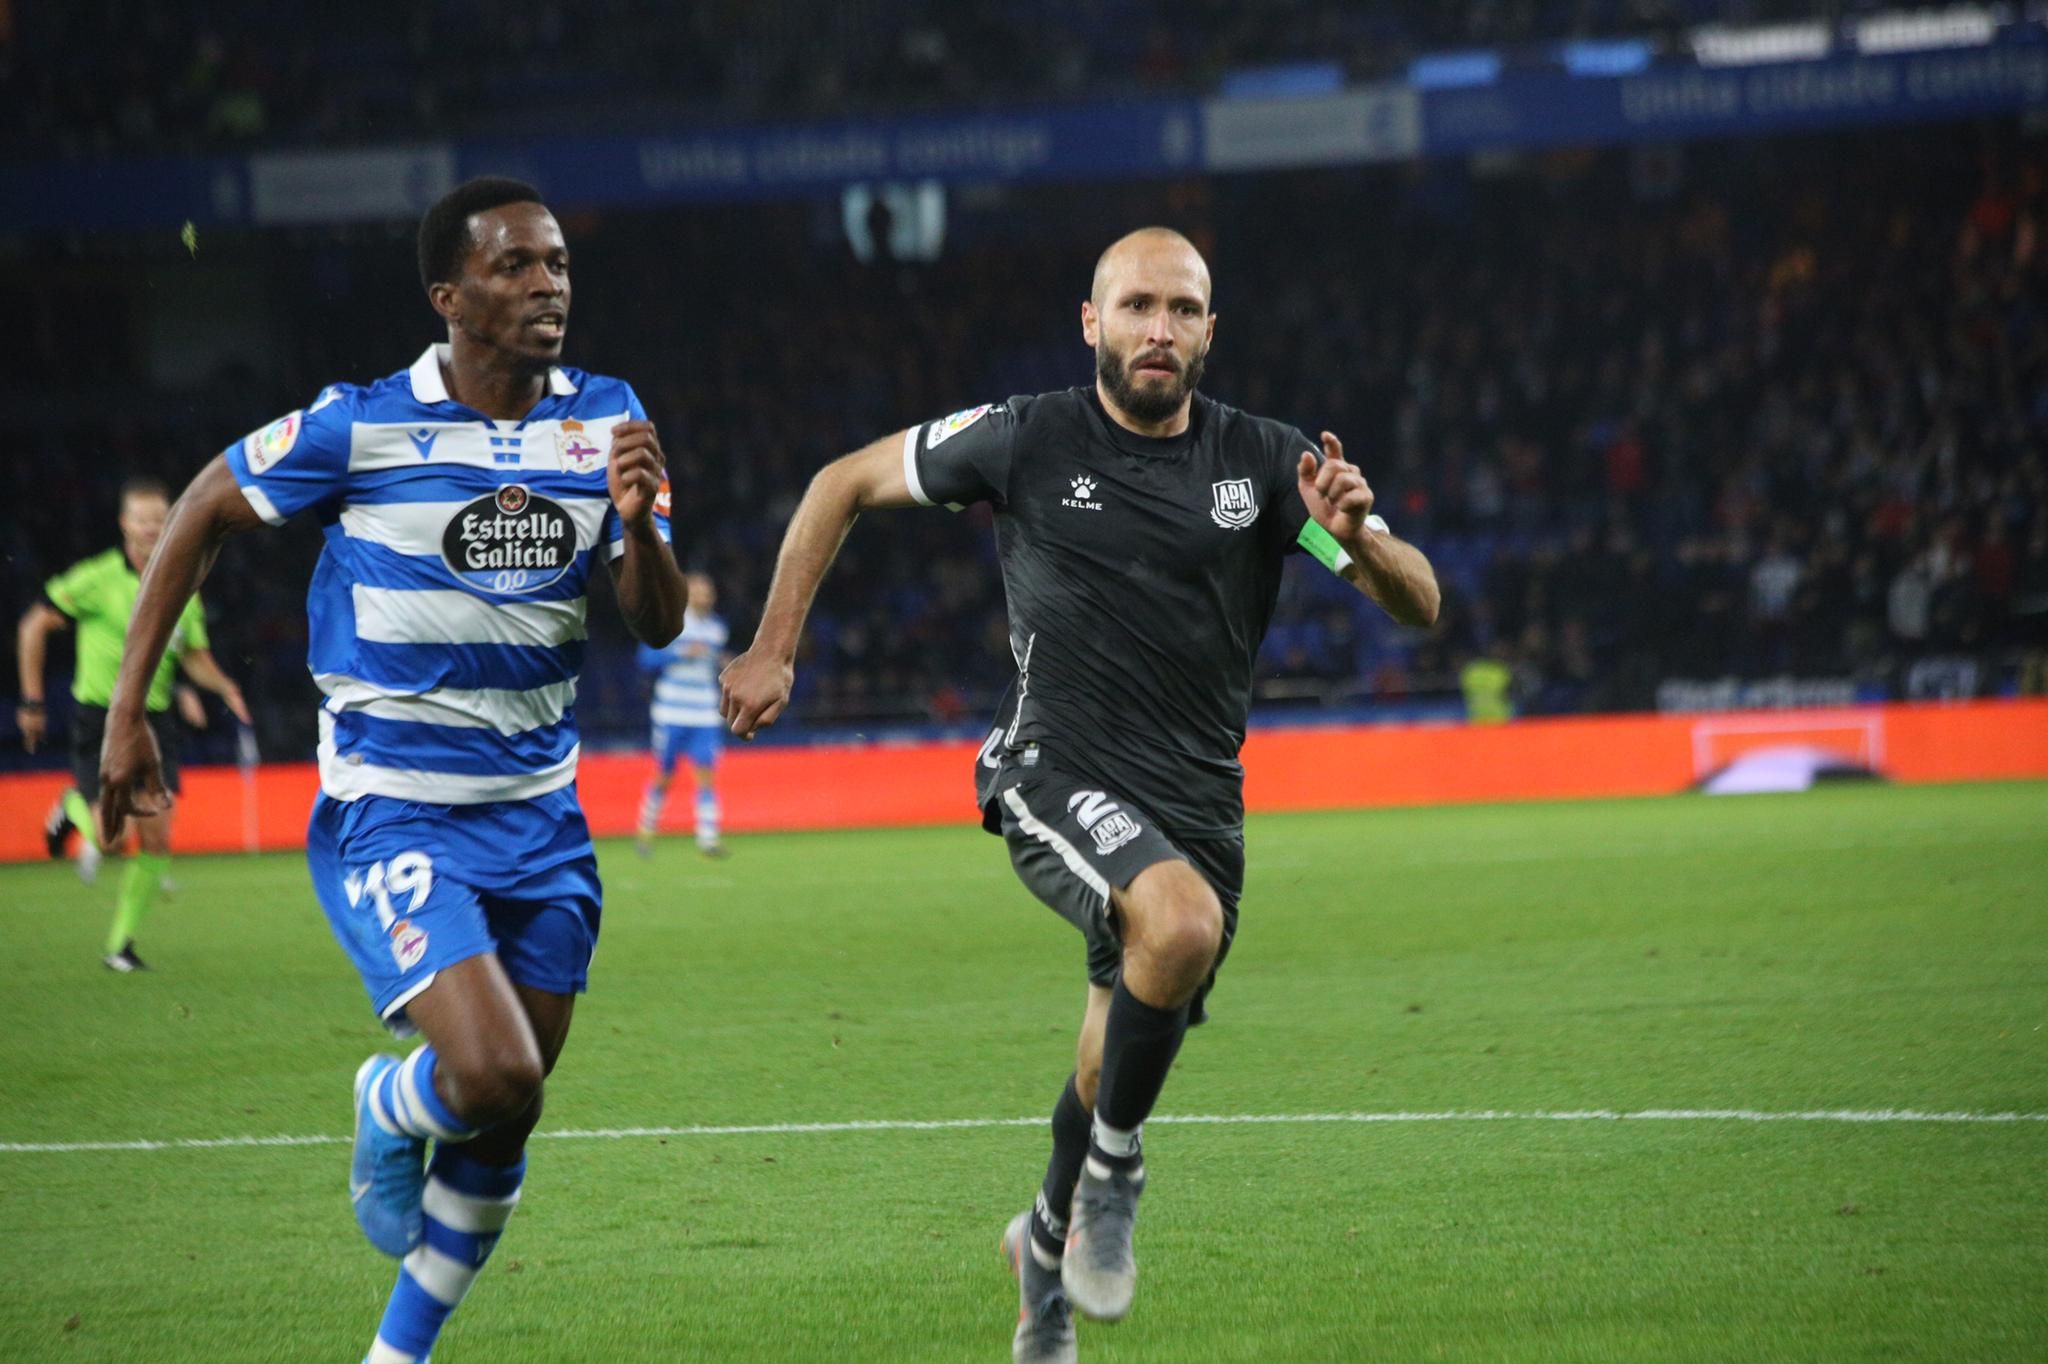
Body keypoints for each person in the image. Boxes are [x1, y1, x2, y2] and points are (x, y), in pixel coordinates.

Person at [721, 227, 1439, 1363]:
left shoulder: (1270, 470)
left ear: (1210, 332)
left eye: (1184, 310)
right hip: (1051, 764)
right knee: (1179, 923)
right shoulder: (1023, 437)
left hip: (1197, 804)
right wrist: (772, 647)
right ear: (1091, 321)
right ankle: (1113, 1175)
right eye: (1138, 305)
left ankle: (1039, 1249)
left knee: (1116, 1041)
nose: (1160, 328)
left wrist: (1356, 541)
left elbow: (1418, 599)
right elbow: (839, 482)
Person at [94, 177, 685, 1364]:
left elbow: (654, 620)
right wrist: (126, 718)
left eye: (558, 263)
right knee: (488, 1065)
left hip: (542, 818)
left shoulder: (609, 415)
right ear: (449, 295)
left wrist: (638, 523)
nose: (548, 286)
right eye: (516, 267)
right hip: (397, 809)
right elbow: (207, 506)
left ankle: (395, 1353)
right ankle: (384, 1100)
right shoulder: (359, 426)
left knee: (507, 1104)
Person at [15, 475, 251, 970]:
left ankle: (120, 945)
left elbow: (192, 656)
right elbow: (34, 624)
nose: (150, 528)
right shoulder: (97, 578)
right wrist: (33, 701)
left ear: (171, 522)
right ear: (124, 524)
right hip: (100, 716)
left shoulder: (184, 583)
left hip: (156, 718)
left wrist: (223, 684)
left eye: (158, 520)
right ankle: (72, 808)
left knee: (159, 836)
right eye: (141, 520)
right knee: (109, 838)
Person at [635, 571, 731, 858]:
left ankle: (708, 838)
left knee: (706, 773)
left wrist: (725, 662)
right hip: (672, 710)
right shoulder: (670, 623)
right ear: (687, 595)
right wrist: (680, 653)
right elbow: (645, 658)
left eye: (708, 591)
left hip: (703, 711)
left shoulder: (717, 628)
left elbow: (714, 663)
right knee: (664, 774)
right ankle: (646, 830)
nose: (705, 596)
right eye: (699, 591)